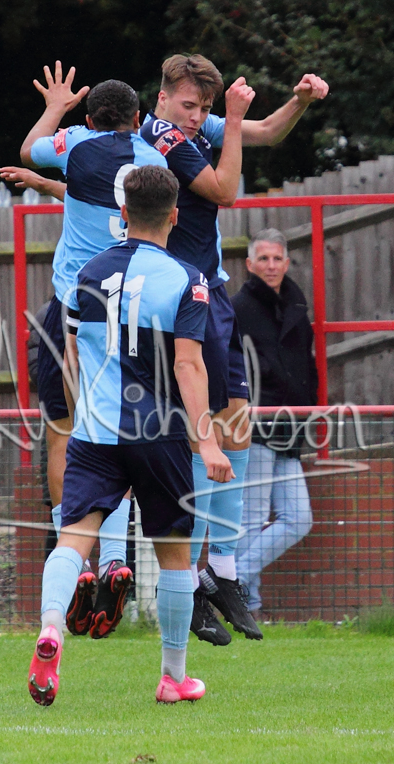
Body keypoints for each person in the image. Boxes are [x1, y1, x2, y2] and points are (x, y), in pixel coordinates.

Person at [27, 165, 232, 706]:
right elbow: (188, 366)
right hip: (159, 435)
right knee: (175, 556)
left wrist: (82, 419)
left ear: (122, 214)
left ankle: (50, 628)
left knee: (73, 539)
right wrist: (207, 440)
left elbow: (71, 360)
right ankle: (173, 678)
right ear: (174, 216)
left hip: (94, 434)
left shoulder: (86, 274)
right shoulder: (187, 279)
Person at [141, 54, 326, 646]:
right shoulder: (163, 136)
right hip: (175, 293)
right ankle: (186, 580)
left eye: (204, 108)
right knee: (197, 436)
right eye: (189, 106)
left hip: (209, 289)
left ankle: (220, 569)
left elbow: (265, 132)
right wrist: (234, 116)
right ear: (163, 98)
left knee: (236, 425)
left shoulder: (198, 127)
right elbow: (224, 192)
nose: (198, 117)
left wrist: (299, 101)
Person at [1, 64, 169, 639]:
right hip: (135, 310)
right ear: (138, 119)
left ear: (91, 119)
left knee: (62, 432)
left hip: (74, 307)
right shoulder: (154, 157)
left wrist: (56, 107)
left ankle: (71, 555)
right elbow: (96, 200)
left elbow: (32, 146)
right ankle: (117, 555)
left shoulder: (75, 143)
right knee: (118, 433)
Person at [231, 229, 316, 617]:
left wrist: (308, 406)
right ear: (250, 264)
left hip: (290, 425)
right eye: (263, 259)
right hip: (255, 422)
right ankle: (247, 606)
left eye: (277, 258)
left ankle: (230, 581)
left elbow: (304, 365)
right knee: (250, 519)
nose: (270, 265)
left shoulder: (296, 306)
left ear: (286, 262)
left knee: (299, 519)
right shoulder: (237, 308)